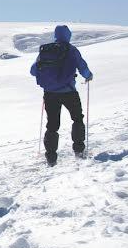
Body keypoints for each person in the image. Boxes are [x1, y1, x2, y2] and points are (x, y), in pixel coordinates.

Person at [31, 25, 93, 166]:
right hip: (68, 91)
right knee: (77, 118)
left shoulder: (46, 50)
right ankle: (79, 151)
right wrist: (88, 75)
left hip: (49, 93)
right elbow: (82, 67)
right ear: (68, 35)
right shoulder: (71, 50)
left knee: (52, 125)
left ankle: (51, 159)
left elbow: (33, 71)